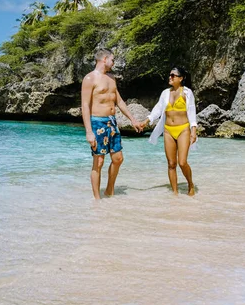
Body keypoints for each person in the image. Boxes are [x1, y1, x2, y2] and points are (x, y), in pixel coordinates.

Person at [81, 48, 142, 199]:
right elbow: (85, 106)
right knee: (99, 161)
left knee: (118, 159)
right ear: (104, 59)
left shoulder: (111, 78)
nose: (114, 63)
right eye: (112, 60)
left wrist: (132, 119)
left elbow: (119, 100)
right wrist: (89, 131)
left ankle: (109, 190)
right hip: (97, 122)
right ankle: (97, 200)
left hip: (112, 122)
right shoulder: (89, 79)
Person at [141, 67, 197, 196]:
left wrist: (193, 130)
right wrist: (146, 121)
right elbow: (158, 109)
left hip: (183, 129)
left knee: (182, 162)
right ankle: (175, 193)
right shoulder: (165, 93)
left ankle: (190, 184)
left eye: (173, 75)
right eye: (170, 75)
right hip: (168, 130)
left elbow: (192, 112)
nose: (170, 77)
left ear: (181, 78)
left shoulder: (187, 93)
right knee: (171, 164)